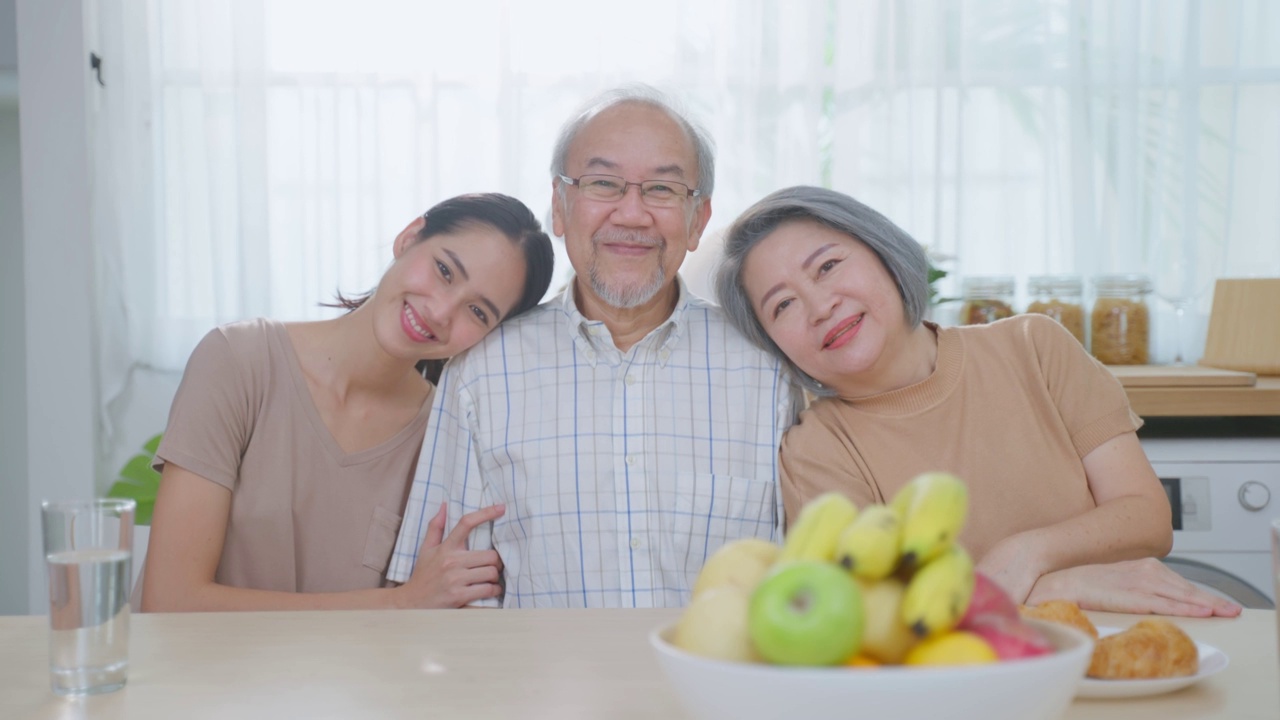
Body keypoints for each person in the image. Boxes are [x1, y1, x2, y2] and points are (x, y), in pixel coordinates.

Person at [713, 185, 1241, 617]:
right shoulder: (816, 450)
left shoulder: (1035, 346)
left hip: (1120, 653)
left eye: (827, 266)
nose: (820, 305)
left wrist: (1026, 553)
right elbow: (880, 614)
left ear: (884, 253)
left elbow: (1147, 519)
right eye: (782, 304)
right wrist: (1054, 587)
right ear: (772, 341)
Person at [385, 86, 803, 608]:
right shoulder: (482, 372)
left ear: (698, 220)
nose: (632, 214)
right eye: (603, 184)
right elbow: (446, 598)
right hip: (540, 689)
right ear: (559, 208)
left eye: (663, 190)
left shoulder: (769, 370)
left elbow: (808, 583)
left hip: (720, 688)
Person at [140, 193, 555, 612]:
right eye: (444, 271)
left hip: (352, 679)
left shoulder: (444, 438)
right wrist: (399, 605)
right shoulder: (238, 361)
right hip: (196, 675)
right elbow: (171, 600)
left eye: (478, 312)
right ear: (409, 237)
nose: (441, 311)